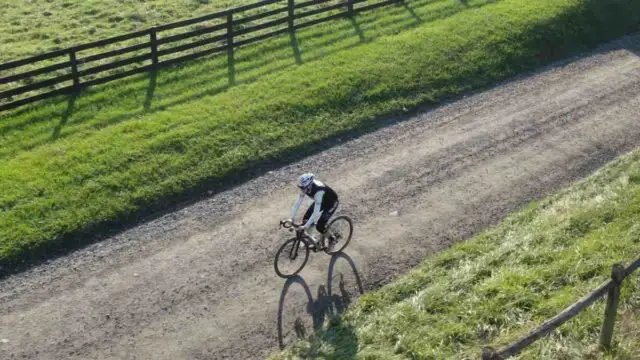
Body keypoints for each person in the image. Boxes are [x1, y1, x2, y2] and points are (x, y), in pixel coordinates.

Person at [289, 173, 339, 249]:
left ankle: (332, 239)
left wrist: (305, 226)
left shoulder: (319, 191)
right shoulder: (305, 187)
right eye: (301, 187)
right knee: (306, 219)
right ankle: (311, 239)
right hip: (321, 201)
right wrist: (292, 218)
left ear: (309, 185)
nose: (302, 190)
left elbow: (315, 213)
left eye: (303, 188)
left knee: (320, 226)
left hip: (331, 203)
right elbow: (297, 203)